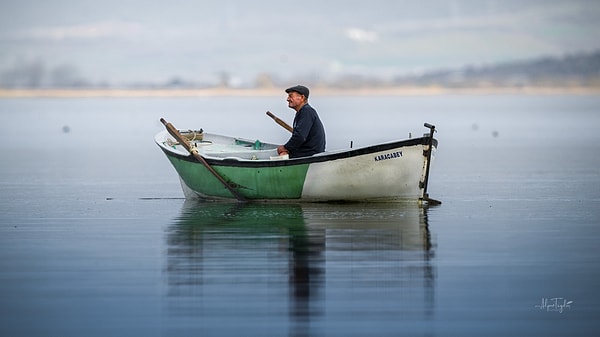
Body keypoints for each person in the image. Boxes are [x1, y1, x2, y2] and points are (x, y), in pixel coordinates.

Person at [277, 85, 326, 158]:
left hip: (310, 154)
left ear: (302, 98)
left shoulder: (306, 112)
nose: (287, 99)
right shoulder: (302, 112)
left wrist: (286, 148)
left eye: (291, 96)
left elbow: (300, 137)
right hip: (306, 152)